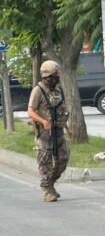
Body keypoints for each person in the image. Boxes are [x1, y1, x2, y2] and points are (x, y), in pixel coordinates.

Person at [27, 60, 70, 202]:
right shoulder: (37, 91)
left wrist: (67, 128)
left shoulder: (58, 90)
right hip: (44, 133)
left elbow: (61, 110)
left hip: (58, 131)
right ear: (48, 76)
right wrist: (44, 121)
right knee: (45, 162)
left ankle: (50, 183)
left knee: (63, 158)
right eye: (55, 74)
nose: (58, 77)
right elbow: (30, 111)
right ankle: (47, 190)